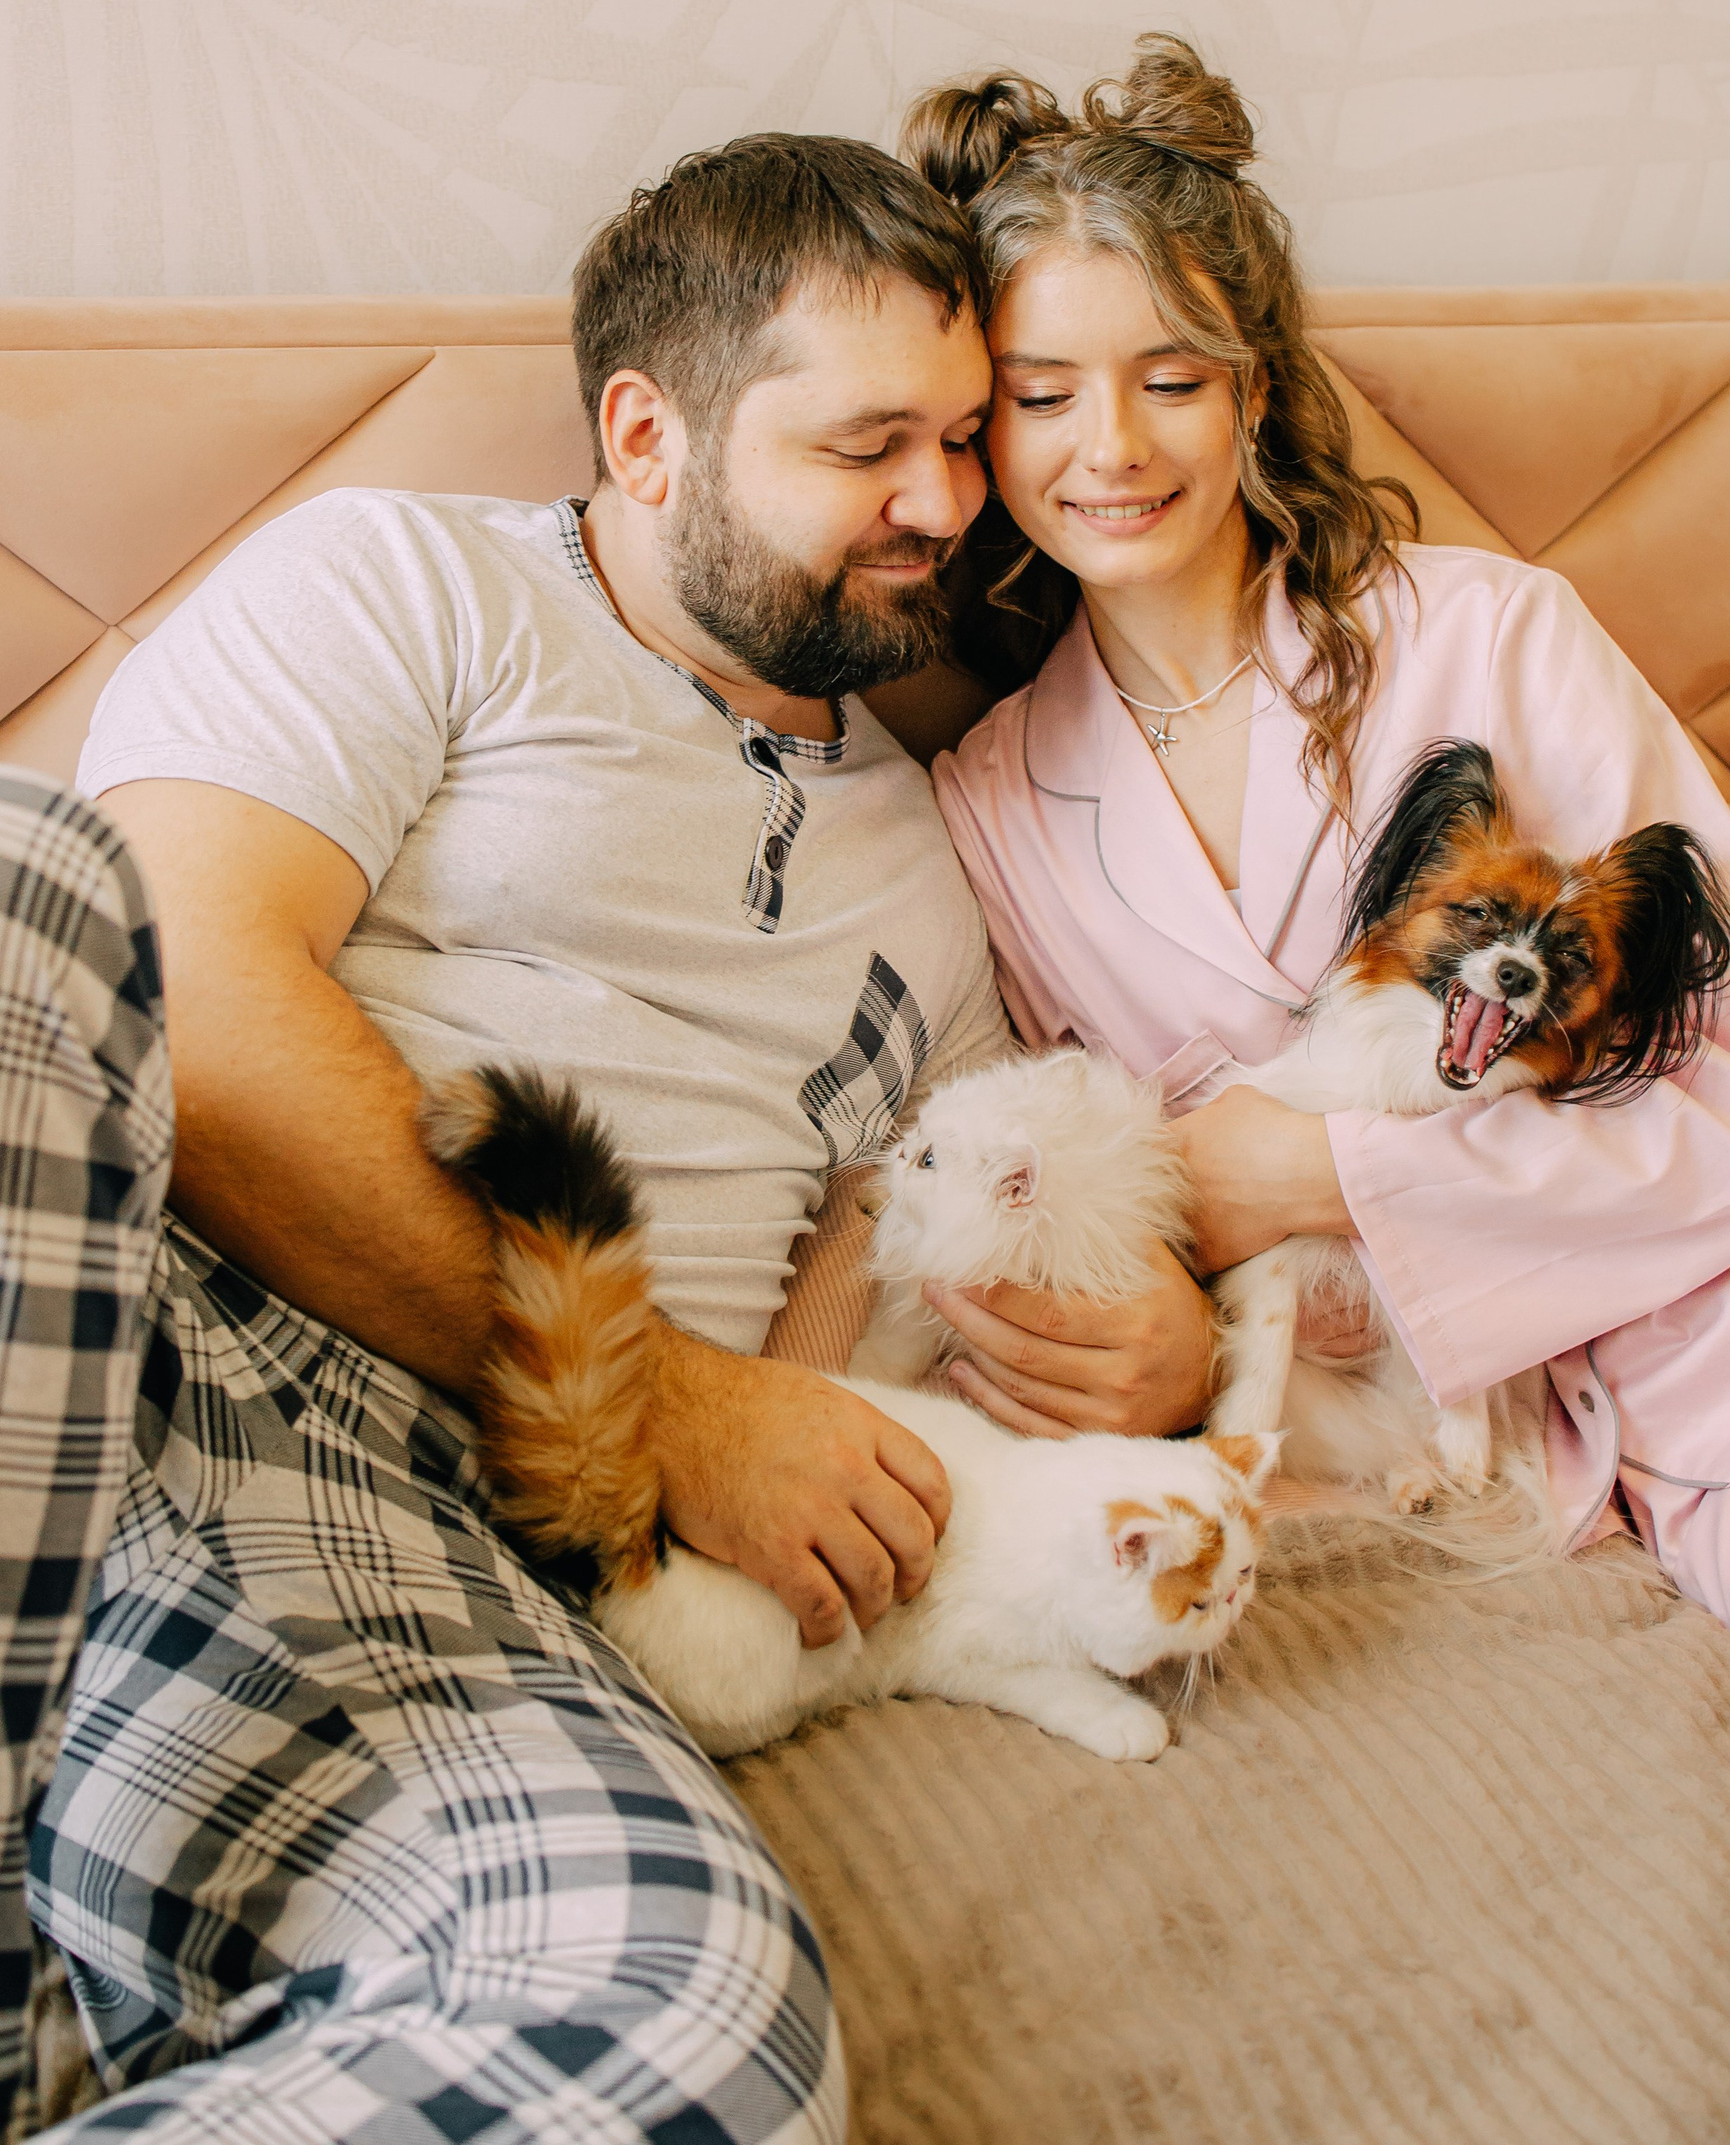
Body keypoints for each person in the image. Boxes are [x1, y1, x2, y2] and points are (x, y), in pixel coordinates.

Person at [28, 132, 1014, 2134]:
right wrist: (664, 1402)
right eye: (870, 446)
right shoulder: (405, 582)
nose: (946, 504)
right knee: (32, 902)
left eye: (969, 438)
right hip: (127, 1338)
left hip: (467, 1572)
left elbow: (928, 1282)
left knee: (689, 2042)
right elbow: (181, 1002)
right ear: (648, 436)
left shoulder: (937, 862)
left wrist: (1153, 1333)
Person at [910, 34, 1730, 1795]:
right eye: (1043, 393)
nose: (1111, 446)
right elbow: (1114, 1197)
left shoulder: (1490, 633)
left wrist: (1303, 1169)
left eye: (1171, 377)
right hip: (1670, 1420)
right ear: (979, 426)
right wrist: (1189, 1280)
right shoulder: (994, 803)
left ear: (1251, 389)